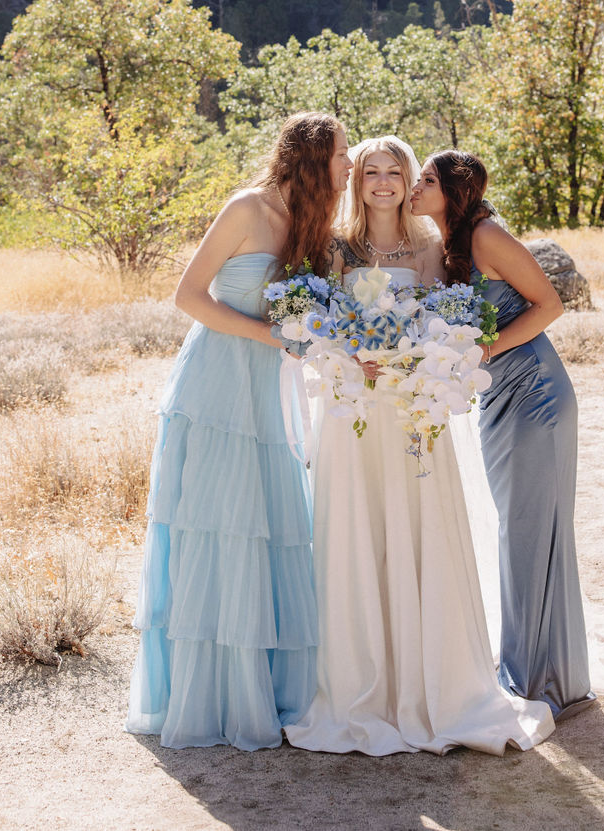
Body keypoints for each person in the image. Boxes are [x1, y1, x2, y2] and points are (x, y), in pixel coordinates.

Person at [285, 136, 554, 756]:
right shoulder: (334, 245)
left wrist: (417, 359)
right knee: (355, 531)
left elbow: (444, 320)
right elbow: (312, 321)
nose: (383, 182)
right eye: (372, 171)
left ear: (410, 180)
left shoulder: (434, 247)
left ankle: (437, 687)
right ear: (357, 180)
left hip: (412, 408)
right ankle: (360, 686)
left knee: (419, 528)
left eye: (395, 172)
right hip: (352, 406)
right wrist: (346, 351)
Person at [126, 112, 352, 750]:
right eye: (339, 155)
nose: (348, 166)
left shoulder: (319, 229)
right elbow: (189, 296)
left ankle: (272, 687)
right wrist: (271, 336)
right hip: (220, 384)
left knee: (273, 525)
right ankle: (214, 692)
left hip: (272, 392)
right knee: (223, 522)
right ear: (311, 159)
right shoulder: (247, 208)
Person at [412, 149, 594, 721]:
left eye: (426, 179)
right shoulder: (449, 245)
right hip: (497, 397)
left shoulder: (487, 235)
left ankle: (537, 679)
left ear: (453, 191)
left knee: (528, 531)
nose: (416, 185)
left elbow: (551, 304)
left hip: (535, 394)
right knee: (520, 529)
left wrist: (483, 351)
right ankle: (547, 670)